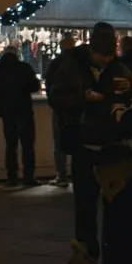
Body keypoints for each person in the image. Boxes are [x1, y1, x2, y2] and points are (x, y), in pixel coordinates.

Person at [47, 23, 132, 259]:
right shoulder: (72, 66)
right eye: (102, 55)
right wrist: (82, 98)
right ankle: (87, 252)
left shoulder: (118, 68)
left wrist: (129, 88)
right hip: (84, 144)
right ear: (91, 51)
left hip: (111, 146)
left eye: (109, 55)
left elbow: (129, 97)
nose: (106, 60)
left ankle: (113, 251)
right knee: (85, 204)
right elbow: (57, 96)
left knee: (116, 204)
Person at [0, 46, 41, 186]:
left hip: (7, 113)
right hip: (24, 111)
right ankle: (28, 177)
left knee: (10, 146)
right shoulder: (25, 68)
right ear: (17, 54)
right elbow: (34, 87)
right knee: (27, 146)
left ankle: (11, 177)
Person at [45, 36, 78, 187]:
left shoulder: (56, 63)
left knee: (59, 142)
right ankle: (78, 174)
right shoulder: (81, 62)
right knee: (79, 141)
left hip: (60, 108)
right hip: (78, 107)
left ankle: (62, 175)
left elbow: (49, 85)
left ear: (61, 46)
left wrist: (54, 103)